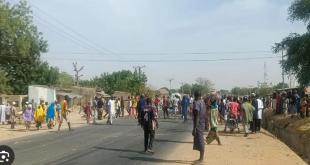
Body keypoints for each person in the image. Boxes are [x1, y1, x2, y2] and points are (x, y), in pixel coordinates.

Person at [192, 90, 206, 164]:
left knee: (200, 141)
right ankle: (201, 158)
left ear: (195, 96)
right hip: (202, 123)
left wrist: (194, 128)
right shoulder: (203, 103)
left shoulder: (197, 103)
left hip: (199, 124)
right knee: (200, 139)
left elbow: (196, 116)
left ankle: (201, 159)